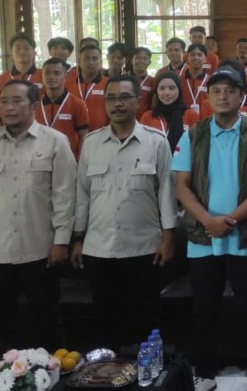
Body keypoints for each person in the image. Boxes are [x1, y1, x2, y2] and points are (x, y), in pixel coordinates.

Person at [174, 65, 247, 391]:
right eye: (216, 90)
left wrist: (231, 220)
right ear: (207, 97)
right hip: (203, 237)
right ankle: (205, 374)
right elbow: (181, 185)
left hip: (244, 236)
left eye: (230, 90)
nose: (222, 96)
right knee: (203, 311)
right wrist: (208, 220)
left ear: (242, 96)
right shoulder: (193, 134)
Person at [0, 80, 76, 349]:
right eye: (4, 102)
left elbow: (65, 196)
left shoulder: (56, 142)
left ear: (33, 106)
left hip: (40, 251)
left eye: (17, 101)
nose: (9, 108)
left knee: (45, 323)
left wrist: (61, 241)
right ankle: (1, 374)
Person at [72, 74, 176, 349]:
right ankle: (109, 371)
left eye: (124, 97)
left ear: (139, 101)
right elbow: (82, 194)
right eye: (111, 98)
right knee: (105, 321)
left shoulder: (156, 142)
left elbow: (166, 191)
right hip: (99, 249)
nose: (117, 104)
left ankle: (145, 373)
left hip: (144, 247)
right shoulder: (91, 143)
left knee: (145, 321)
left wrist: (168, 237)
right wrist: (78, 238)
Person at [35, 56, 89, 159]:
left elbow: (84, 138)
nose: (51, 77)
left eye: (57, 73)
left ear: (65, 77)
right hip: (40, 159)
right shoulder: (35, 104)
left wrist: (82, 162)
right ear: (41, 76)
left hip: (68, 159)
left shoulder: (77, 104)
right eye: (47, 73)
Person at [139, 72, 186, 151]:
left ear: (179, 89)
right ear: (156, 91)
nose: (166, 93)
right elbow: (142, 146)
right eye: (162, 88)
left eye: (171, 88)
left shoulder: (191, 115)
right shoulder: (147, 117)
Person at [73, 42, 109, 132]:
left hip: (101, 134)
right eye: (86, 58)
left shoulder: (109, 84)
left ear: (100, 61)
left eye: (95, 58)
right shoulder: (67, 83)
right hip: (73, 135)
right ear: (79, 61)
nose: (91, 62)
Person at [130, 46, 155, 115]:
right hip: (126, 118)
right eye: (138, 58)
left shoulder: (153, 81)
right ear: (132, 60)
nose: (141, 61)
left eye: (145, 58)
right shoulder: (124, 79)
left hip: (145, 119)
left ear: (149, 62)